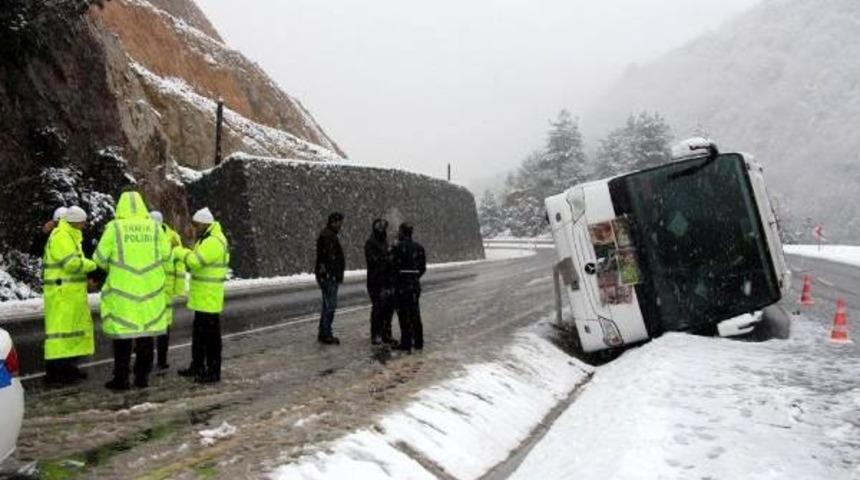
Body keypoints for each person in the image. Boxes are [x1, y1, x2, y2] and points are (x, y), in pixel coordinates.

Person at [94, 191, 171, 391]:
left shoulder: (114, 228)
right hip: (150, 291)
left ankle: (121, 379)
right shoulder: (155, 228)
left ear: (120, 207)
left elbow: (99, 259)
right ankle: (142, 377)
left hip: (122, 291)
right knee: (146, 336)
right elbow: (167, 258)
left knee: (123, 337)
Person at [42, 206, 97, 385]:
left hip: (69, 294)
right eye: (82, 223)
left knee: (70, 333)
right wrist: (92, 265)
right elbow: (71, 263)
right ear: (75, 222)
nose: (84, 226)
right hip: (61, 295)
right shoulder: (61, 236)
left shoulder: (71, 236)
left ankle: (68, 368)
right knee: (60, 335)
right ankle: (55, 373)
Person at [173, 208, 229, 384]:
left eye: (196, 225)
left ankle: (213, 372)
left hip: (209, 298)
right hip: (203, 297)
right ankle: (197, 366)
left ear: (204, 224)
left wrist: (179, 252)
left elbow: (195, 262)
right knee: (199, 336)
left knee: (211, 339)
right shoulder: (206, 239)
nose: (194, 228)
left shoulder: (213, 241)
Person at [150, 211, 187, 370]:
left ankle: (160, 360)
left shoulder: (173, 237)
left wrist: (179, 287)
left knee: (161, 324)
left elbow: (179, 263)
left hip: (164, 286)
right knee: (154, 324)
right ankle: (155, 359)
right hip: (152, 285)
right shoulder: (149, 235)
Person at [392, 223, 426, 352]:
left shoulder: (397, 248)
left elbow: (392, 266)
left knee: (403, 315)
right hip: (414, 285)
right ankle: (418, 341)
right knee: (415, 313)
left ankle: (406, 342)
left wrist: (398, 277)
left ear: (402, 232)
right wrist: (415, 276)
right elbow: (422, 268)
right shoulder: (419, 248)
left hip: (401, 285)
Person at [315, 212, 345, 345]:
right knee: (330, 305)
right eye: (340, 223)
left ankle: (324, 331)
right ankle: (326, 333)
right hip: (329, 276)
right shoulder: (328, 236)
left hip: (328, 275)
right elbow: (329, 257)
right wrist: (334, 271)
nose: (341, 225)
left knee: (327, 304)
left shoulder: (328, 235)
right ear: (334, 222)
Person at [364, 218, 396, 345]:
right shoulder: (371, 243)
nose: (384, 230)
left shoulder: (384, 242)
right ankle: (376, 334)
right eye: (383, 228)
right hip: (376, 280)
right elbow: (373, 261)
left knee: (388, 308)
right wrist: (387, 257)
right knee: (378, 308)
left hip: (387, 279)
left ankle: (386, 333)